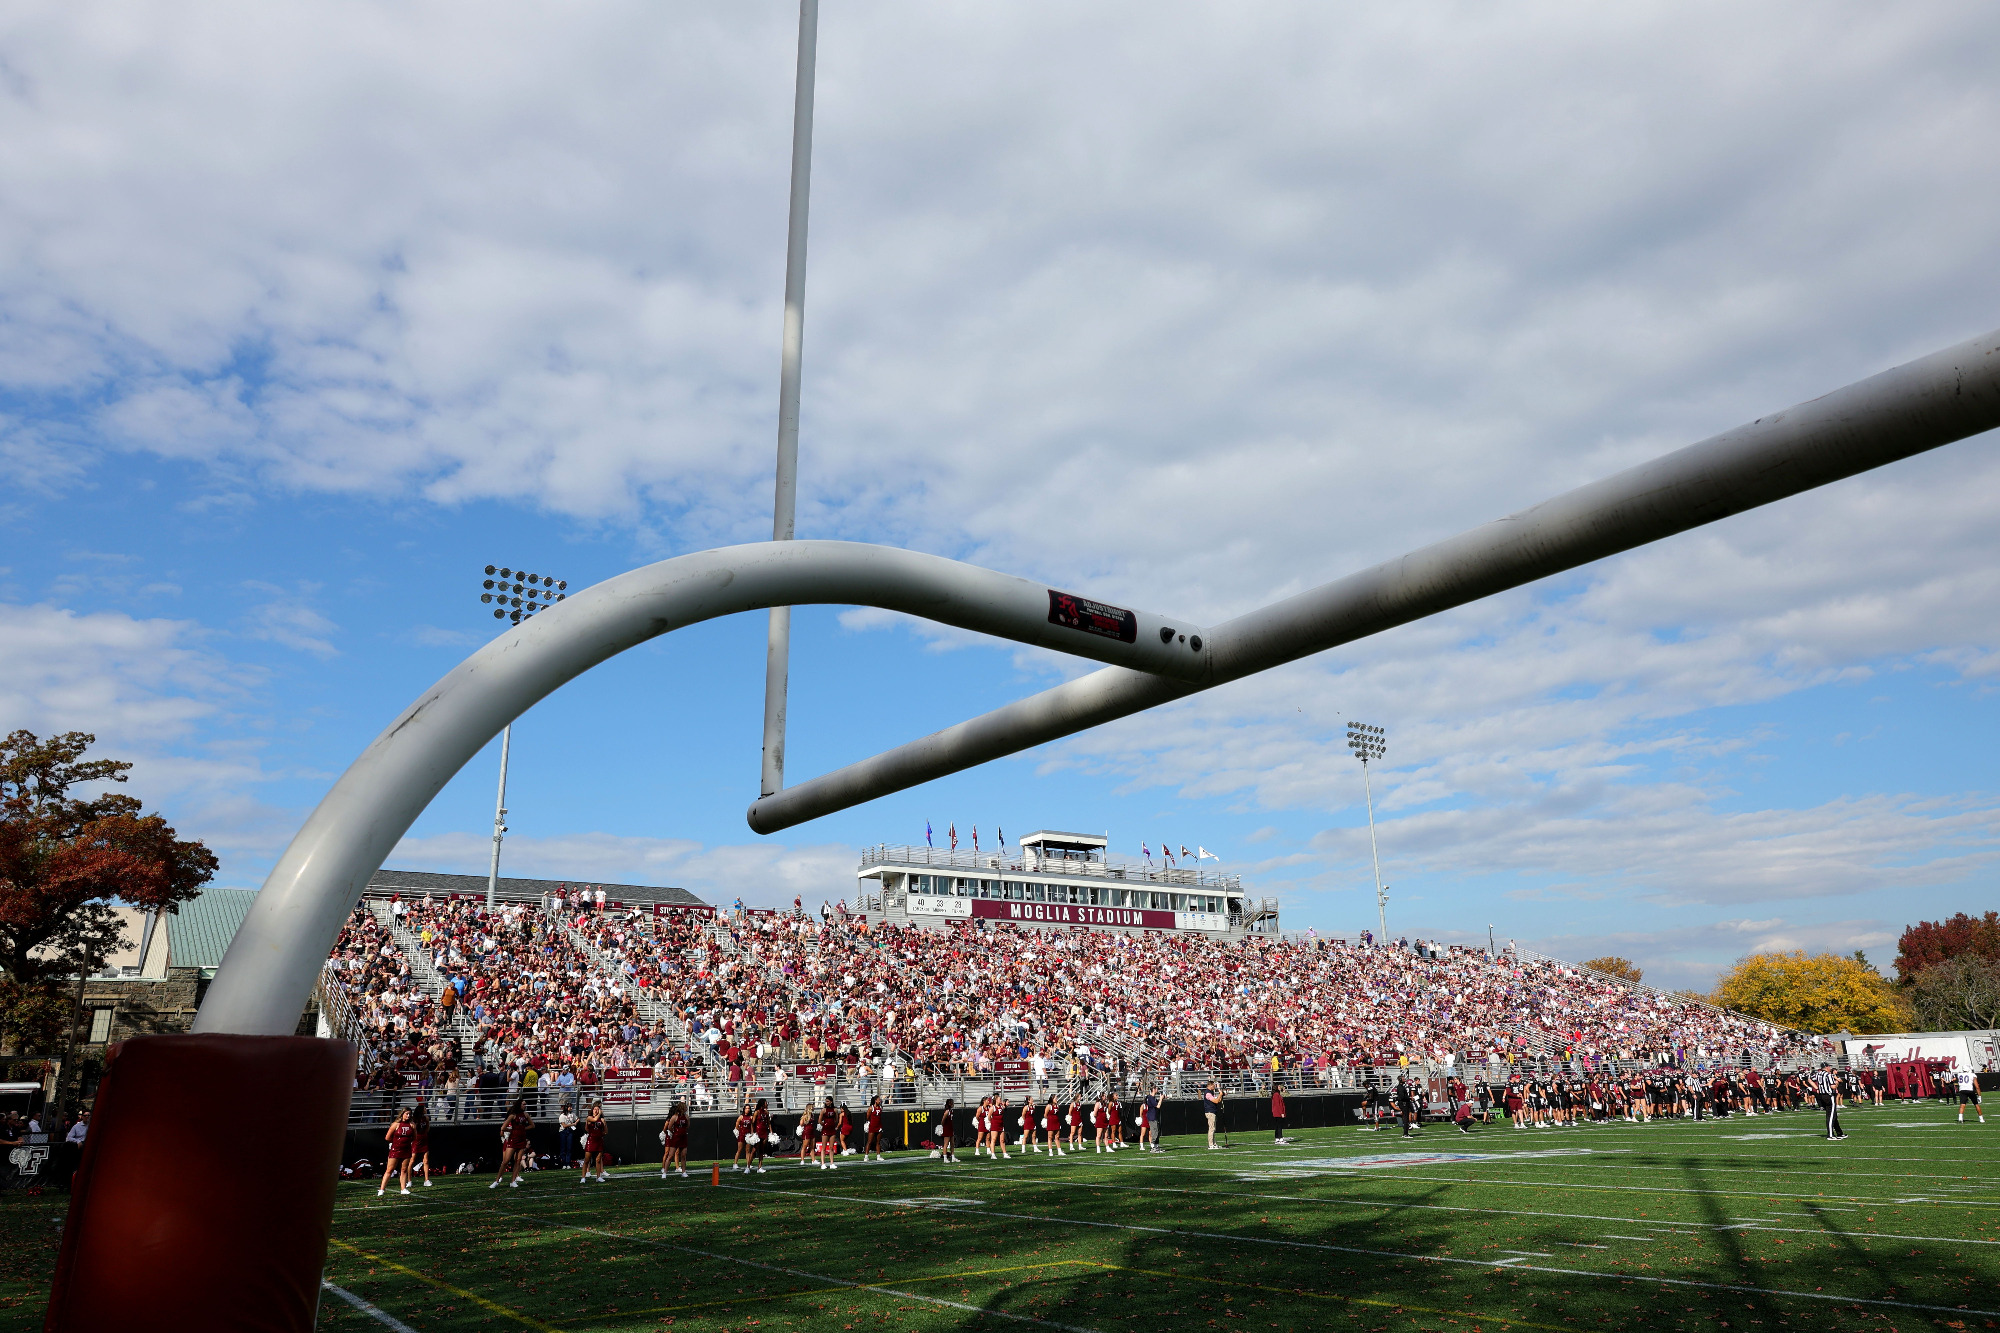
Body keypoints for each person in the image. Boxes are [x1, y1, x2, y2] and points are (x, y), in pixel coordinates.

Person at [491, 1097, 534, 1189]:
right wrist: (513, 1129)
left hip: (522, 1139)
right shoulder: (513, 1115)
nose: (525, 1106)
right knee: (505, 1161)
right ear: (519, 1105)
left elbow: (532, 1125)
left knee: (518, 1160)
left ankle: (513, 1181)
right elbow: (503, 1128)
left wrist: (523, 1129)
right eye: (523, 1104)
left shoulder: (526, 1115)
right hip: (513, 1139)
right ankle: (497, 1180)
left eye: (525, 1104)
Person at [379, 1107, 418, 1196]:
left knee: (404, 1169)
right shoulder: (396, 1124)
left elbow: (415, 1137)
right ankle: (382, 1189)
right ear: (402, 1114)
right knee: (390, 1169)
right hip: (395, 1150)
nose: (408, 1116)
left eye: (409, 1114)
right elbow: (387, 1137)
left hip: (407, 1149)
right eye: (406, 1114)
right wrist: (396, 1142)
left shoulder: (412, 1125)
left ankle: (403, 1188)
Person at [1811, 1064, 1845, 1141]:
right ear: (1826, 1067)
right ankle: (1830, 1134)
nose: (1830, 1068)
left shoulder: (1818, 1074)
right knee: (1831, 1115)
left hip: (1822, 1096)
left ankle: (1839, 1133)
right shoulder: (1828, 1075)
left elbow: (1809, 1079)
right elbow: (1833, 1086)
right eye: (1829, 1067)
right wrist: (1837, 1082)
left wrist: (1817, 1088)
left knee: (1833, 1114)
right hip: (1829, 1095)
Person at [580, 1102, 610, 1182]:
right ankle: (583, 1177)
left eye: (598, 1109)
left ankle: (598, 1177)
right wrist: (599, 1114)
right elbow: (594, 1120)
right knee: (587, 1160)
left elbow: (606, 1131)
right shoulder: (589, 1117)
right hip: (591, 1140)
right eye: (595, 1109)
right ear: (592, 1110)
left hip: (599, 1140)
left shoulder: (602, 1120)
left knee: (598, 1159)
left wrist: (602, 1131)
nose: (596, 1111)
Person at [411, 1101, 434, 1188]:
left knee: (426, 1160)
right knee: (412, 1160)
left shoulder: (426, 1118)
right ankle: (409, 1180)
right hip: (416, 1140)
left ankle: (426, 1180)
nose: (426, 1110)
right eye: (424, 1109)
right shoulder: (414, 1119)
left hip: (424, 1139)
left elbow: (427, 1128)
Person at [750, 1097, 772, 1174]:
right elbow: (752, 1123)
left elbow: (769, 1123)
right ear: (762, 1103)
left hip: (764, 1132)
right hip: (758, 1132)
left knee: (762, 1150)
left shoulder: (766, 1113)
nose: (767, 1104)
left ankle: (759, 1167)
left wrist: (771, 1132)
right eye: (766, 1102)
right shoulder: (757, 1112)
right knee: (754, 1150)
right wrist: (752, 1133)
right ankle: (748, 1166)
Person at [863, 1095, 886, 1161]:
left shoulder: (880, 1107)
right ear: (875, 1100)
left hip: (879, 1126)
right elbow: (868, 1117)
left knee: (878, 1142)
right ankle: (866, 1156)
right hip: (872, 1126)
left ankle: (878, 1156)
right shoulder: (871, 1108)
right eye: (879, 1099)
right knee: (869, 1142)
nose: (880, 1101)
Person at [935, 1098, 957, 1163]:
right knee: (946, 1144)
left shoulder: (951, 1111)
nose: (953, 1104)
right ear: (949, 1103)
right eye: (952, 1103)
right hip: (946, 1129)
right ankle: (945, 1158)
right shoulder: (947, 1111)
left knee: (952, 1143)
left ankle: (953, 1157)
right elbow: (943, 1120)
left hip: (950, 1128)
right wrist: (942, 1127)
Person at [557, 1102, 579, 1168]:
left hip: (570, 1131)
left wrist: (575, 1122)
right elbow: (564, 1125)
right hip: (563, 1132)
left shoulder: (572, 1114)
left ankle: (568, 1163)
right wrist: (572, 1124)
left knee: (569, 1147)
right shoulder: (562, 1116)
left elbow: (577, 1119)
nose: (571, 1108)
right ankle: (564, 1163)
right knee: (563, 1147)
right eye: (570, 1107)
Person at [1203, 1082, 1223, 1149]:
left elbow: (1218, 1100)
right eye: (1214, 1086)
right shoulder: (1208, 1093)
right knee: (1211, 1128)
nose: (1214, 1087)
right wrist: (1220, 1094)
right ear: (1210, 1086)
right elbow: (1216, 1101)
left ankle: (1214, 1144)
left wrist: (1220, 1093)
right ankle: (1211, 1144)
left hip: (1213, 1112)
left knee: (1213, 1128)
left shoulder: (1211, 1092)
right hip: (1210, 1112)